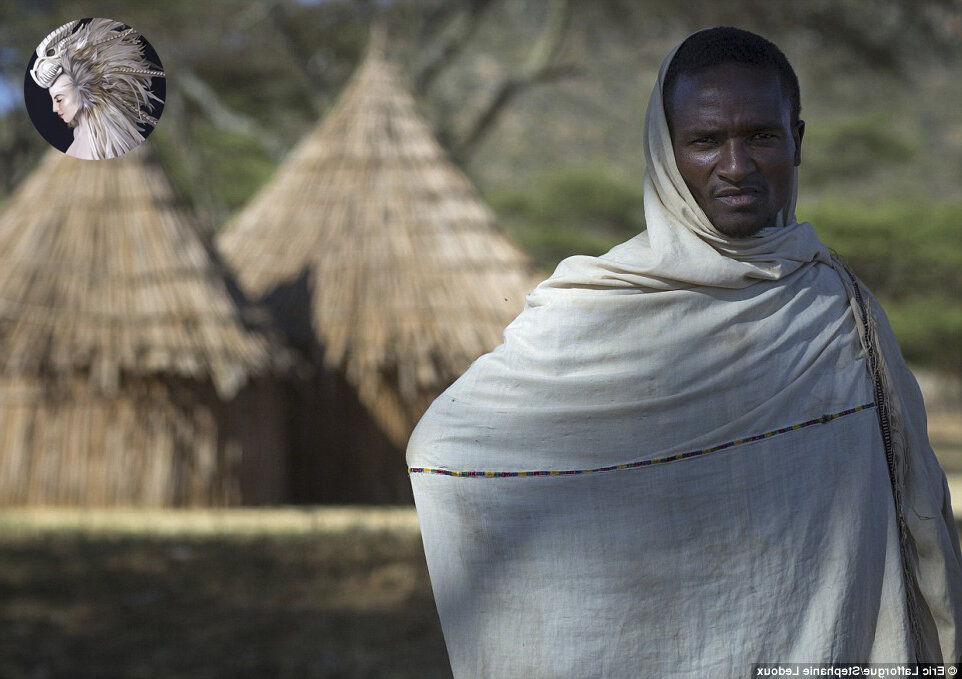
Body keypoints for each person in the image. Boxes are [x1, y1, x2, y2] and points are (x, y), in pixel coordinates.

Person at [406, 27, 962, 676]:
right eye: (704, 141)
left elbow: (915, 517)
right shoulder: (592, 305)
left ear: (797, 142)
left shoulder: (842, 311)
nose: (735, 165)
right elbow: (446, 448)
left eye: (760, 135)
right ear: (665, 154)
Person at [29, 18, 165, 160]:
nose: (54, 108)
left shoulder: (110, 145)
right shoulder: (78, 133)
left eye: (59, 99)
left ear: (84, 88)